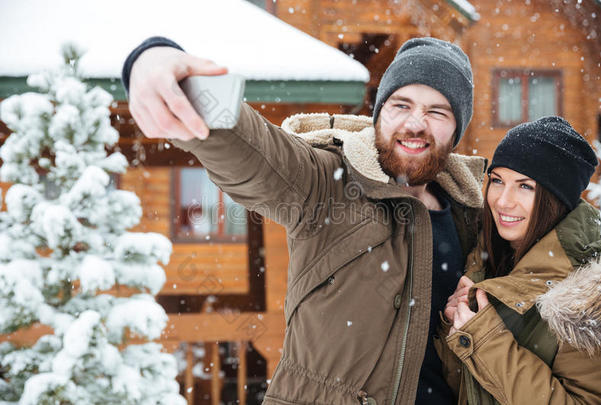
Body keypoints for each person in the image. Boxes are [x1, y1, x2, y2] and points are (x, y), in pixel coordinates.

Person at [122, 36, 487, 404]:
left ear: (456, 131)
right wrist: (158, 63)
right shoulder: (326, 185)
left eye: (437, 112)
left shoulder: (475, 219)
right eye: (401, 105)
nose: (415, 124)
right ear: (378, 114)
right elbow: (256, 153)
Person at [437, 116, 601, 404]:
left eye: (525, 186)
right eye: (497, 181)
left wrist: (484, 340)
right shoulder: (483, 261)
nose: (503, 200)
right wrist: (454, 327)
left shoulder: (591, 292)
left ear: (555, 199)